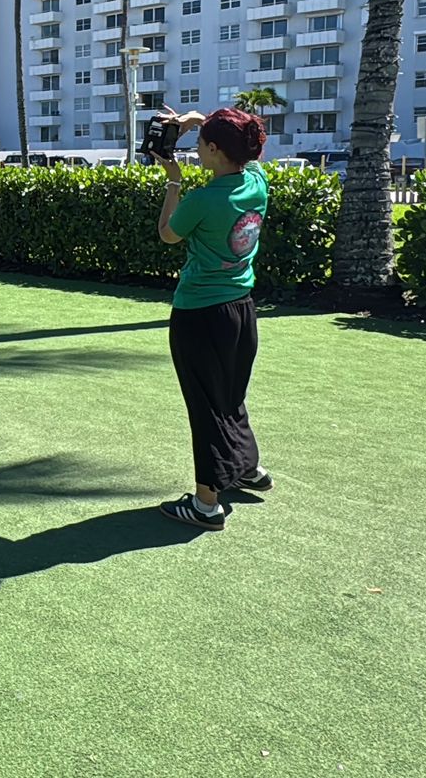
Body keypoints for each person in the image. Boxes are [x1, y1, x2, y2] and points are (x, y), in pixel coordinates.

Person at [150, 107, 272, 532]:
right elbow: (247, 152)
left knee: (205, 406)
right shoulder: (257, 183)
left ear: (215, 149)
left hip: (200, 314)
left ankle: (206, 504)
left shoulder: (204, 199)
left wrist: (173, 179)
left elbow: (167, 232)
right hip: (241, 311)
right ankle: (246, 469)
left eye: (201, 143)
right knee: (230, 394)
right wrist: (199, 121)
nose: (195, 149)